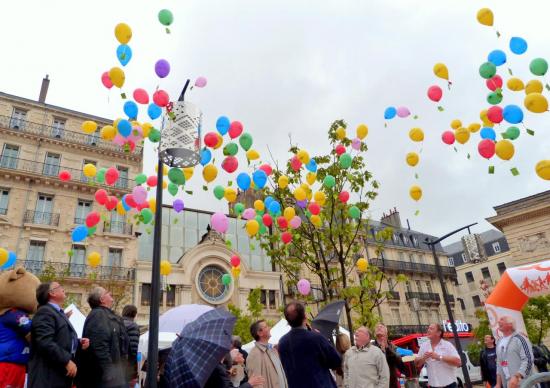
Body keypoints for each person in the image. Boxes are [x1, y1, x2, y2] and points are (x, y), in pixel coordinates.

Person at [28, 282, 89, 388]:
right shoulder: (45, 312)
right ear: (52, 293)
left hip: (58, 375)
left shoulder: (58, 313)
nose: (63, 289)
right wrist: (66, 361)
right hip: (47, 376)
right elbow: (45, 342)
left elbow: (60, 339)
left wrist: (78, 342)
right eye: (60, 287)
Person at [277, 301, 342, 388]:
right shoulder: (316, 338)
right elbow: (336, 361)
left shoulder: (282, 342)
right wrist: (324, 340)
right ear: (305, 316)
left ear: (287, 321)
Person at [77, 286, 129, 388]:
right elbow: (99, 345)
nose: (111, 295)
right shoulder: (98, 315)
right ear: (102, 299)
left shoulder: (106, 315)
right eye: (107, 293)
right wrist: (109, 370)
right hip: (105, 378)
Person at [415, 323, 461, 388]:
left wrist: (439, 357)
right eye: (428, 328)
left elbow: (458, 362)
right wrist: (423, 358)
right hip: (433, 386)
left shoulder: (447, 345)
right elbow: (417, 364)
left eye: (431, 329)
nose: (428, 330)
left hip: (449, 385)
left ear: (439, 333)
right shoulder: (424, 346)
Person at [246, 320, 288, 388]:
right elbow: (256, 384)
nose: (269, 328)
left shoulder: (272, 350)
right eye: (266, 327)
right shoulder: (254, 355)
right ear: (260, 333)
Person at [495, 316, 534, 388]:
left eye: (502, 320)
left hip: (524, 383)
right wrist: (498, 384)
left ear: (510, 324)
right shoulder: (499, 342)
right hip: (508, 384)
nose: (498, 321)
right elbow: (499, 364)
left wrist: (517, 377)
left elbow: (528, 359)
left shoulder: (520, 338)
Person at [373, 323, 405, 388]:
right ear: (374, 333)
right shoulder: (370, 347)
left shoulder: (393, 347)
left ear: (386, 332)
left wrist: (387, 349)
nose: (379, 327)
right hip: (376, 383)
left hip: (391, 383)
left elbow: (400, 364)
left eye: (381, 327)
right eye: (377, 327)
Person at [122, 304, 140, 386]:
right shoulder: (133, 326)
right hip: (128, 364)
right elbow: (133, 349)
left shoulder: (118, 323)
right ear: (134, 314)